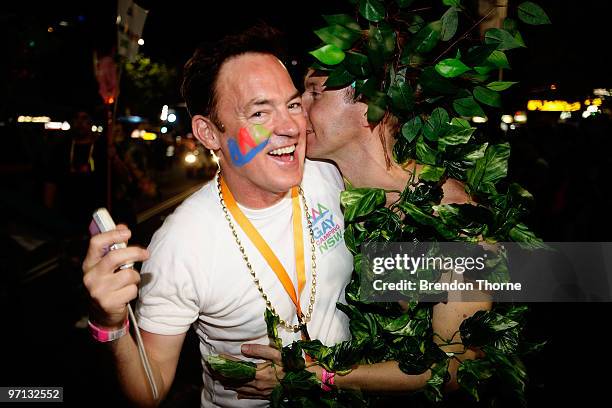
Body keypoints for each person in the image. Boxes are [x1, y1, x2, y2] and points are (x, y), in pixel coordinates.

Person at [81, 26, 353, 408]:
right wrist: (109, 325)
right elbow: (149, 389)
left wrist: (459, 287)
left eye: (292, 104)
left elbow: (401, 269)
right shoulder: (182, 244)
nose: (291, 127)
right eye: (260, 112)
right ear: (209, 133)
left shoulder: (330, 174)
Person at [235, 71, 492, 396]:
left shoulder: (453, 221)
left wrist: (324, 376)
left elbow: (453, 367)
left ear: (370, 105)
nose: (299, 104)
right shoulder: (320, 174)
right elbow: (232, 154)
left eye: (314, 92)